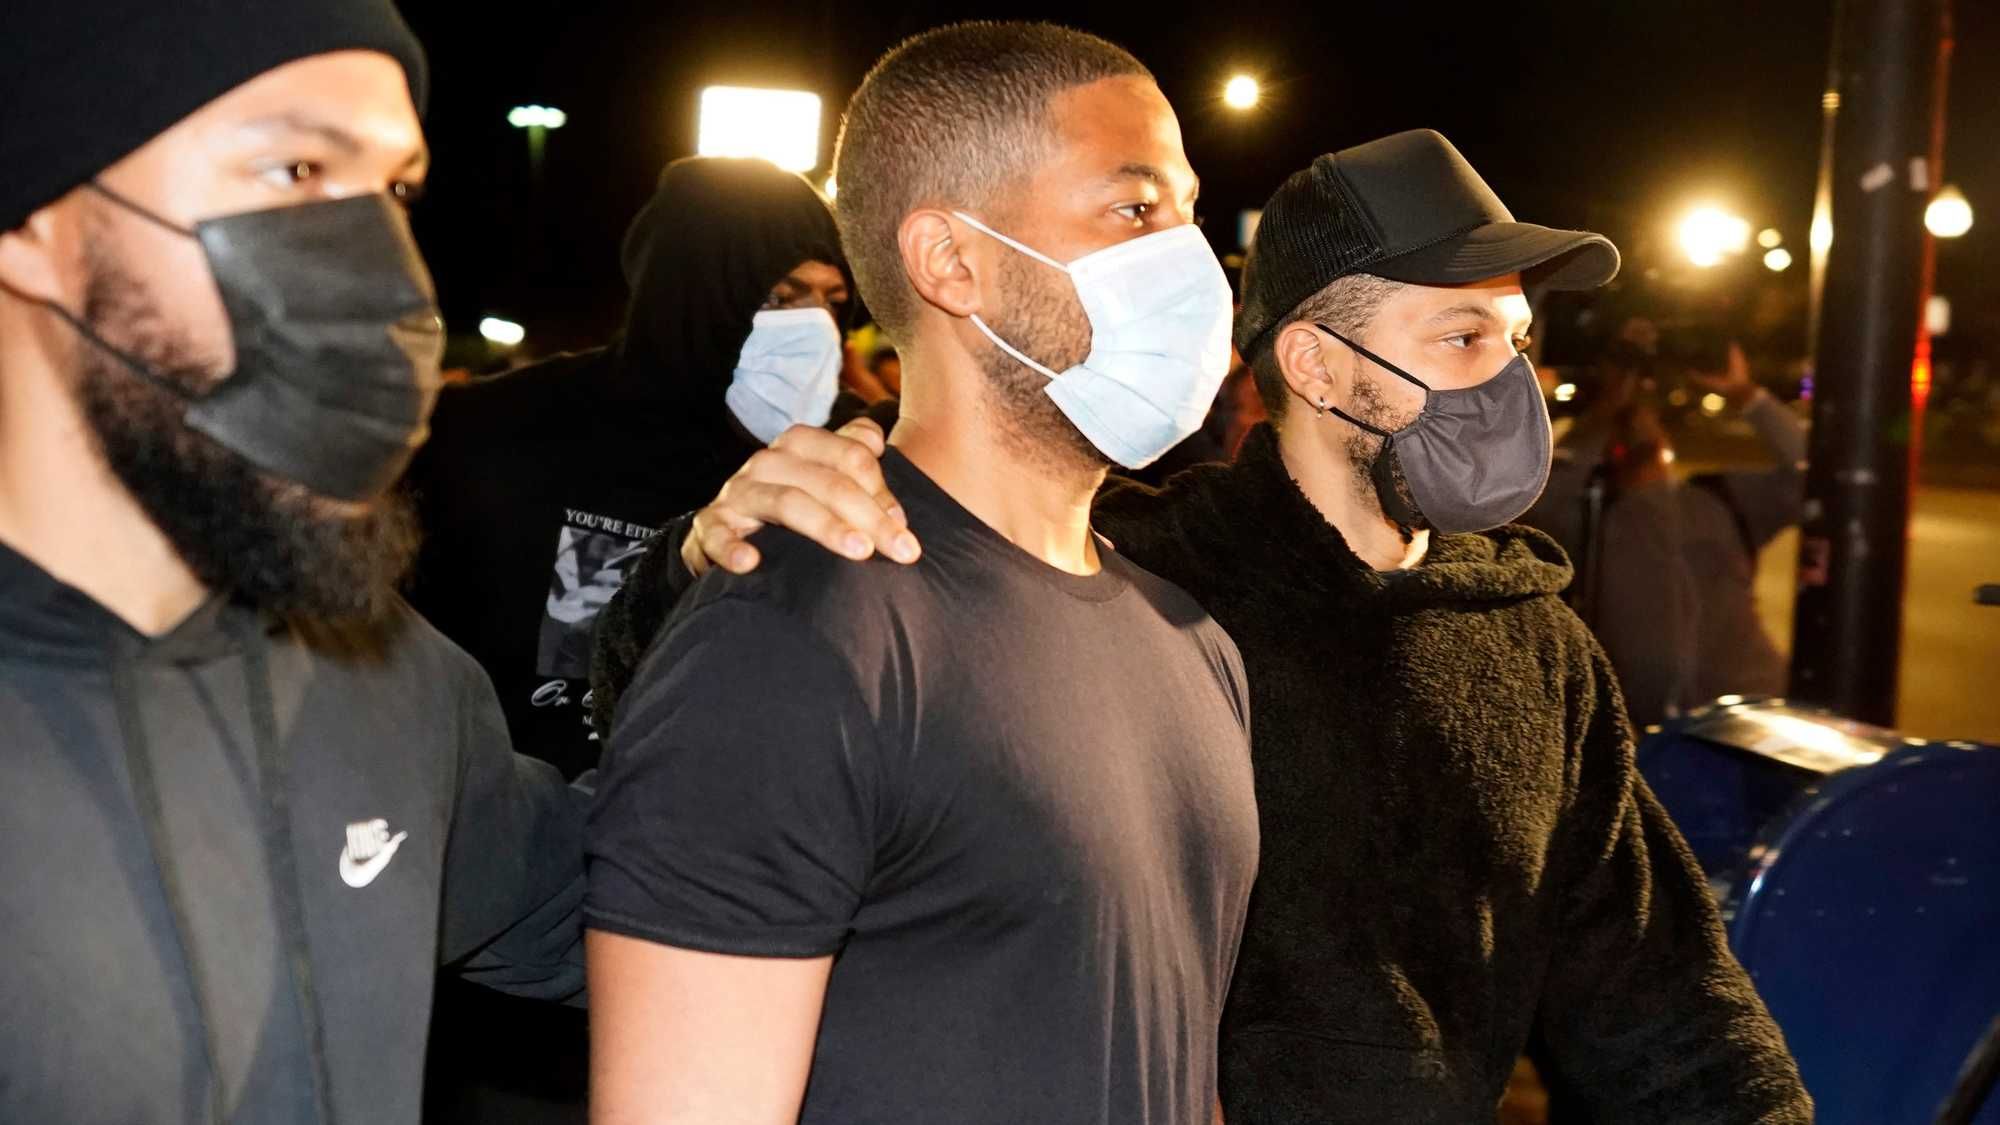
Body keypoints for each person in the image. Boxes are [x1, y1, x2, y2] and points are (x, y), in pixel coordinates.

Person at [623, 130, 1814, 1123]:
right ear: (1315, 365)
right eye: (1459, 339)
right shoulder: (1137, 576)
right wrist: (705, 553)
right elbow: (733, 699)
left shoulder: (1537, 648)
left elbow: (1659, 996)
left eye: (1513, 342)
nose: (1505, 382)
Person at [584, 22, 1259, 1124]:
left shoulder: (1194, 645)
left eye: (1187, 210)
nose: (1186, 260)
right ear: (950, 260)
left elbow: (1171, 1063)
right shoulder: (794, 639)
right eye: (1136, 209)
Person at [0, 2, 585, 1121]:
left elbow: (654, 899)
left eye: (395, 192)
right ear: (34, 220)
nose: (389, 280)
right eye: (296, 169)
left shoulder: (388, 677)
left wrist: (745, 592)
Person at [406, 155, 851, 782]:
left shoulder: (845, 455)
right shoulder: (496, 434)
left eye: (834, 302)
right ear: (691, 291)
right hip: (514, 819)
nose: (818, 331)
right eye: (778, 297)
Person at [1532, 341, 1807, 727]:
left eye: (1646, 412)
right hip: (1645, 732)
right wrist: (1604, 413)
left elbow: (1813, 474)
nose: (1636, 425)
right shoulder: (1586, 514)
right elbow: (1535, 494)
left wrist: (1744, 394)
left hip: (1755, 714)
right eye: (1624, 424)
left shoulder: (1720, 498)